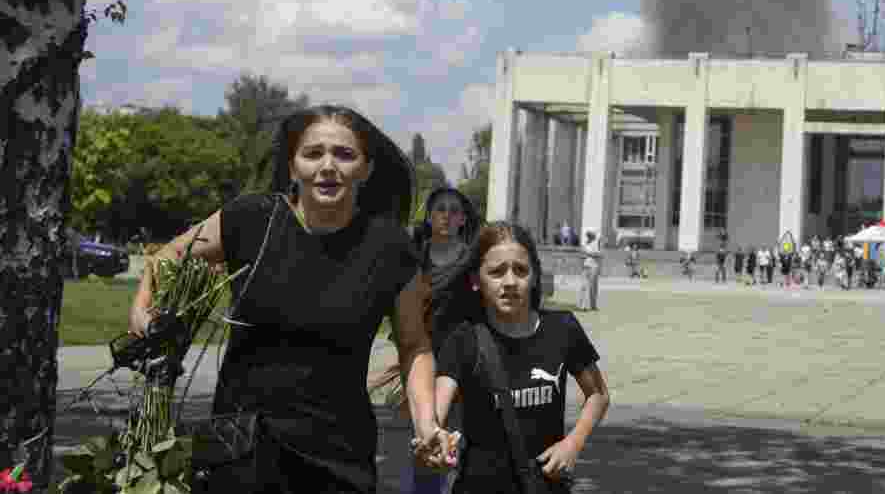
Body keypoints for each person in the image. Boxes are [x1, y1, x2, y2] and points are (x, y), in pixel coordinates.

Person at [129, 105, 454, 493]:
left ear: (365, 169)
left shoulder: (389, 247)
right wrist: (141, 306)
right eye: (313, 153)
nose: (328, 165)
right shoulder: (250, 219)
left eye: (344, 155)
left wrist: (426, 422)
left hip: (339, 454)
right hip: (241, 449)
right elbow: (168, 258)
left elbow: (414, 344)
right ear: (292, 165)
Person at [435, 222, 611, 494]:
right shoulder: (463, 339)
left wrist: (573, 443)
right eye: (496, 272)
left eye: (520, 270)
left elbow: (598, 395)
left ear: (535, 277)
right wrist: (436, 437)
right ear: (475, 281)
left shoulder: (563, 329)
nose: (509, 282)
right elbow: (437, 410)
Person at [382, 186, 480, 494]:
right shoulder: (413, 258)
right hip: (420, 358)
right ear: (429, 216)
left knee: (458, 438)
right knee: (426, 433)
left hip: (462, 364)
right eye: (441, 209)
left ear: (463, 220)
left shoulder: (472, 262)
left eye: (454, 211)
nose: (447, 216)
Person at [578, 230, 602, 311]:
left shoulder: (596, 244)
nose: (591, 237)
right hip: (585, 266)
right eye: (589, 235)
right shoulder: (584, 244)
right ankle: (582, 306)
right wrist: (592, 254)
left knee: (593, 287)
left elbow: (599, 255)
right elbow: (581, 255)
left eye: (592, 235)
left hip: (594, 267)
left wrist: (588, 254)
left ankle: (593, 305)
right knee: (583, 287)